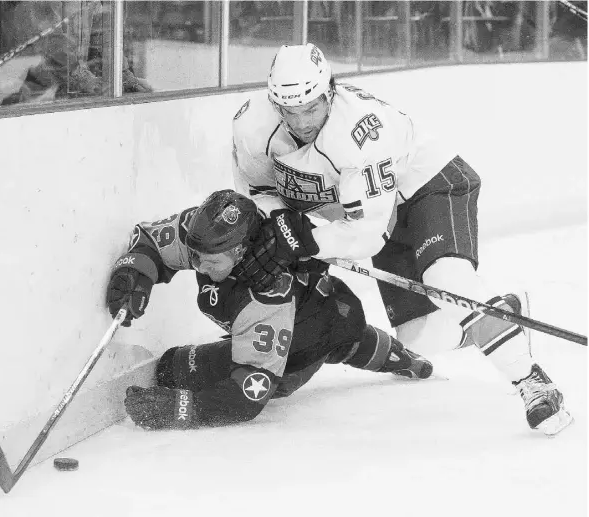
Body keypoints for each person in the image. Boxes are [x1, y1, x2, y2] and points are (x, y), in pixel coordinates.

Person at [230, 43, 573, 436]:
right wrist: (282, 223)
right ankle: (501, 313)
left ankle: (532, 382)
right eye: (289, 111)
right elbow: (258, 190)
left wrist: (304, 242)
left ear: (330, 91)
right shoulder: (252, 127)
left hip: (428, 185)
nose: (302, 122)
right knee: (423, 336)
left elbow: (366, 235)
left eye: (311, 107)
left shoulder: (359, 133)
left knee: (447, 281)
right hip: (379, 211)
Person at [106, 189, 432, 430]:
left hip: (299, 344)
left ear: (239, 252)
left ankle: (359, 345)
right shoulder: (203, 234)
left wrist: (177, 408)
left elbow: (247, 398)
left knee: (172, 370)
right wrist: (133, 273)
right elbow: (151, 240)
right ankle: (362, 344)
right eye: (194, 256)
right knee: (337, 327)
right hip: (320, 303)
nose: (199, 266)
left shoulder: (267, 300)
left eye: (211, 261)